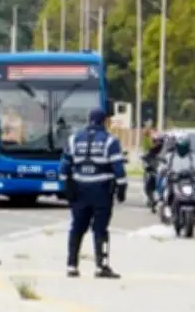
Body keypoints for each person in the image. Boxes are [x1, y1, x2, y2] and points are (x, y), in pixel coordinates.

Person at [60, 107, 126, 279]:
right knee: (100, 229)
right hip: (101, 192)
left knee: (77, 228)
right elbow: (118, 168)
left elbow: (64, 166)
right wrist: (121, 189)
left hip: (79, 190)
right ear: (105, 121)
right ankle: (101, 266)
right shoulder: (110, 141)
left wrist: (66, 188)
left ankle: (71, 265)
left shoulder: (74, 139)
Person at [156, 133, 195, 217]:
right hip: (174, 180)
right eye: (181, 146)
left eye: (185, 146)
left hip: (188, 181)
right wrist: (164, 170)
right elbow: (163, 166)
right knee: (168, 191)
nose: (183, 148)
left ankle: (194, 211)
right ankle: (167, 207)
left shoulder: (192, 156)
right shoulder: (170, 156)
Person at [142, 132, 165, 204]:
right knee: (148, 181)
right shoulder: (151, 151)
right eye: (155, 141)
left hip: (163, 171)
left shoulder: (166, 151)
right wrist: (146, 163)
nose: (157, 143)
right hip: (153, 170)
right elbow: (146, 157)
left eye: (159, 141)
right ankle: (150, 198)